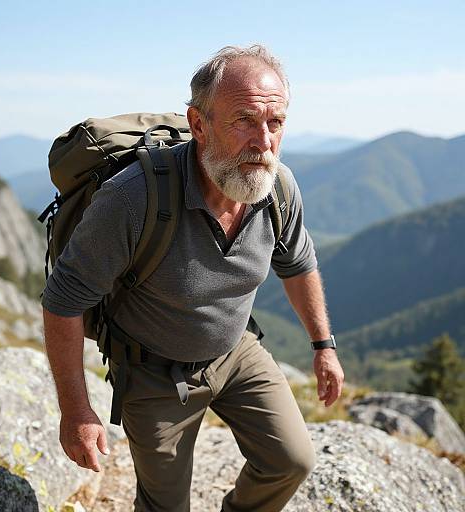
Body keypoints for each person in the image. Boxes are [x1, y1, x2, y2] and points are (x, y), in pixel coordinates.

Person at [42, 44, 345, 512]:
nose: (263, 142)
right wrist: (76, 411)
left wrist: (323, 346)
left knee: (292, 461)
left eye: (276, 122)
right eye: (244, 120)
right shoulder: (132, 199)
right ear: (199, 124)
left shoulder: (278, 187)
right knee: (166, 507)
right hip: (153, 368)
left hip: (234, 349)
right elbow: (63, 300)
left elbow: (298, 262)